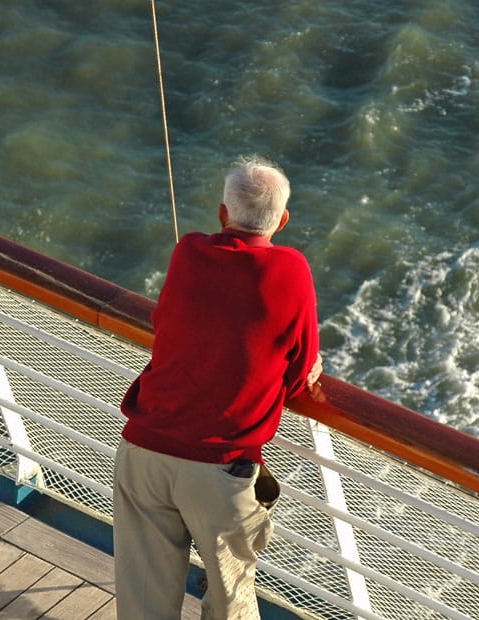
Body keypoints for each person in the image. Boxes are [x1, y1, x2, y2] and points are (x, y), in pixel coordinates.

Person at [114, 155, 322, 619]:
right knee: (231, 599)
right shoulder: (290, 270)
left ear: (223, 214)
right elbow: (298, 371)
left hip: (145, 449)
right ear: (283, 220)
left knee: (143, 598)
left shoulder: (187, 251)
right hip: (220, 469)